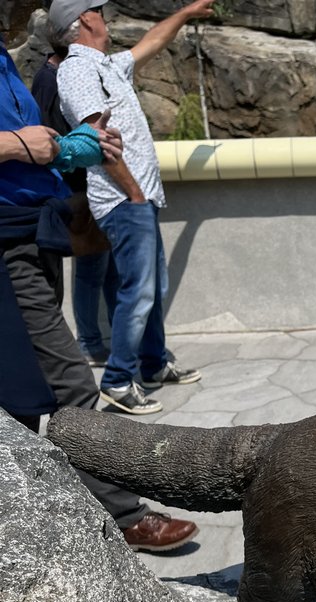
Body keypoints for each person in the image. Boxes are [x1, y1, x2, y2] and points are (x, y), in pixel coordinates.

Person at [0, 36, 198, 551]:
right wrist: (23, 145)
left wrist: (67, 149)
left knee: (26, 392)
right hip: (9, 244)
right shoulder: (70, 68)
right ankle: (125, 512)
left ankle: (38, 515)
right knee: (68, 381)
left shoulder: (5, 58)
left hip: (32, 230)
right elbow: (24, 144)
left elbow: (42, 144)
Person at [52, 0, 214, 415]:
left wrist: (186, 13)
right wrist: (134, 192)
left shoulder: (106, 65)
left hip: (139, 196)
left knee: (152, 289)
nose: (105, 17)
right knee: (139, 291)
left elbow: (151, 43)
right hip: (124, 199)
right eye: (100, 11)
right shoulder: (78, 70)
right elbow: (96, 139)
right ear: (85, 19)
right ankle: (119, 380)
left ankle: (154, 363)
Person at [31, 36, 118, 367]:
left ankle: (110, 340)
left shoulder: (66, 73)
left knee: (109, 270)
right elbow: (49, 138)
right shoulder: (49, 78)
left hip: (93, 186)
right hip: (74, 189)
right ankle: (89, 344)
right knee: (91, 266)